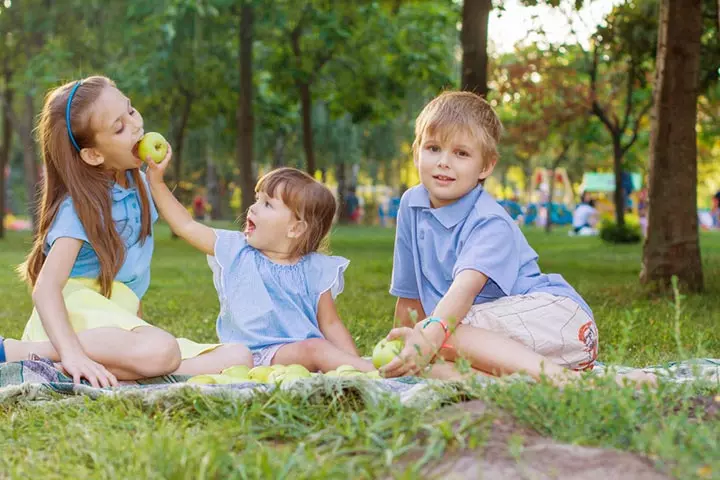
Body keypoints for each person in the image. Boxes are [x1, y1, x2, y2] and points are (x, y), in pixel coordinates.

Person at [380, 91, 654, 386]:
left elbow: (462, 293)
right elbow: (409, 297)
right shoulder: (412, 205)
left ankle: (570, 384)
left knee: (442, 331)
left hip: (558, 321)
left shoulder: (489, 221)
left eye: (461, 153)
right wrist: (402, 355)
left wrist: (426, 335)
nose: (444, 162)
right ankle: (560, 383)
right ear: (416, 151)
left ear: (485, 166)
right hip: (496, 346)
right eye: (433, 148)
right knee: (430, 365)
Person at [0, 76, 252, 387]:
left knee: (238, 357)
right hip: (74, 319)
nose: (134, 126)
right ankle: (29, 353)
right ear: (93, 154)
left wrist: (157, 182)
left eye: (130, 111)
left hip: (114, 325)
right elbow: (46, 288)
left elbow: (132, 276)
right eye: (118, 127)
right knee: (162, 351)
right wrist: (73, 352)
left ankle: (123, 367)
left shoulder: (140, 185)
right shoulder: (80, 207)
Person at [147, 163, 373, 373]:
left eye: (267, 204)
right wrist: (157, 183)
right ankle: (157, 369)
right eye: (257, 199)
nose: (252, 208)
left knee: (318, 348)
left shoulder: (316, 268)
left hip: (297, 355)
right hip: (246, 356)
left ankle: (363, 371)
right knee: (315, 349)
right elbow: (186, 225)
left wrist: (353, 360)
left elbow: (331, 324)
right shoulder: (237, 251)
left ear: (295, 228)